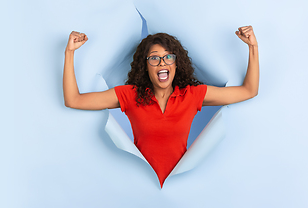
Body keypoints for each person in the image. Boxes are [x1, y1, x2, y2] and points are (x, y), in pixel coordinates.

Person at [63, 26, 259, 187]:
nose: (162, 63)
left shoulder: (191, 94)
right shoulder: (129, 95)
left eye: (168, 57)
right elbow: (74, 100)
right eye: (154, 58)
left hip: (181, 187)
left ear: (176, 64)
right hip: (139, 187)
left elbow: (249, 90)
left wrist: (253, 46)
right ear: (145, 65)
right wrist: (70, 52)